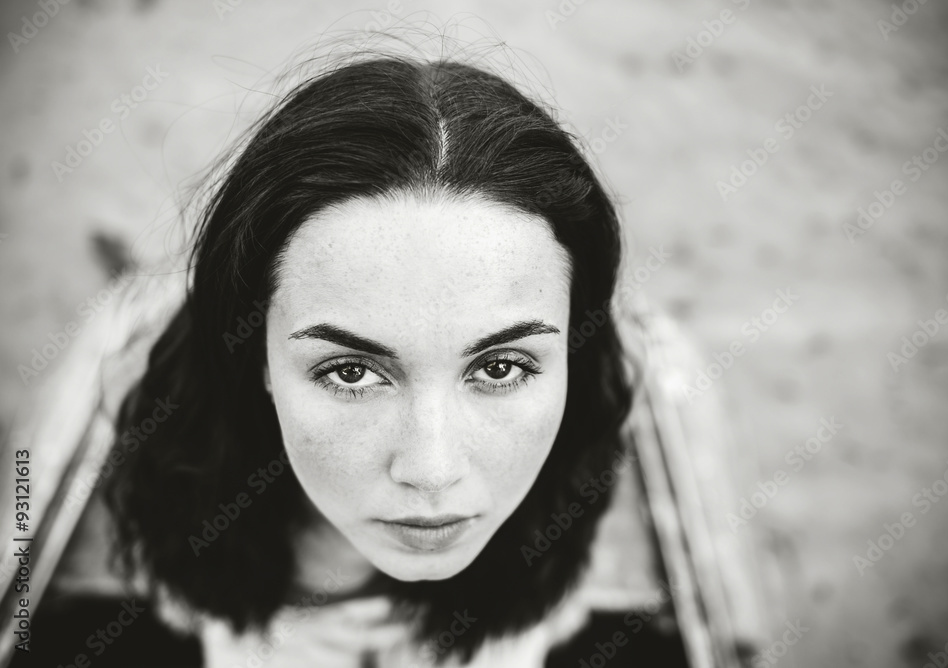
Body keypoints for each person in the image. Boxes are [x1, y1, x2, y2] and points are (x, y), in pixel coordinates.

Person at [102, 52, 642, 666]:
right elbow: (172, 584)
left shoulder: (578, 459)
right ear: (253, 353)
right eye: (351, 372)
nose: (432, 470)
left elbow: (558, 589)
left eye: (499, 368)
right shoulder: (185, 466)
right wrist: (264, 635)